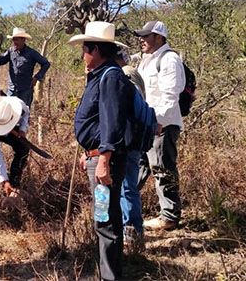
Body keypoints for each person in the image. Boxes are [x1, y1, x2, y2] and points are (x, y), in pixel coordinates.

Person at [70, 20, 134, 280]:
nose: (82, 53)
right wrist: (91, 155)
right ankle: (107, 273)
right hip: (97, 157)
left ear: (95, 49)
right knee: (104, 216)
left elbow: (111, 121)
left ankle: (110, 276)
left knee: (105, 220)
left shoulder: (110, 77)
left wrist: (104, 158)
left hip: (104, 160)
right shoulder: (100, 76)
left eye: (85, 48)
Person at [135, 21, 185, 231]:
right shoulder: (145, 61)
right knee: (138, 167)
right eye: (142, 35)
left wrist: (159, 123)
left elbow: (170, 96)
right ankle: (122, 208)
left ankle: (169, 217)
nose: (142, 39)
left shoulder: (169, 59)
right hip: (146, 124)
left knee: (163, 170)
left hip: (162, 126)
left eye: (147, 36)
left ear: (160, 37)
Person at [115, 48, 145, 247]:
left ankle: (132, 234)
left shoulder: (126, 73)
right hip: (128, 139)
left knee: (127, 188)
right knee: (125, 188)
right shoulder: (127, 72)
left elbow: (125, 109)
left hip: (127, 141)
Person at [0, 27, 50, 108]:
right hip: (11, 90)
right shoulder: (11, 51)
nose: (14, 42)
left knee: (23, 113)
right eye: (13, 39)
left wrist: (37, 77)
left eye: (16, 40)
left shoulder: (31, 53)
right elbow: (1, 60)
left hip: (25, 90)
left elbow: (46, 63)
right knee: (10, 114)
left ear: (23, 40)